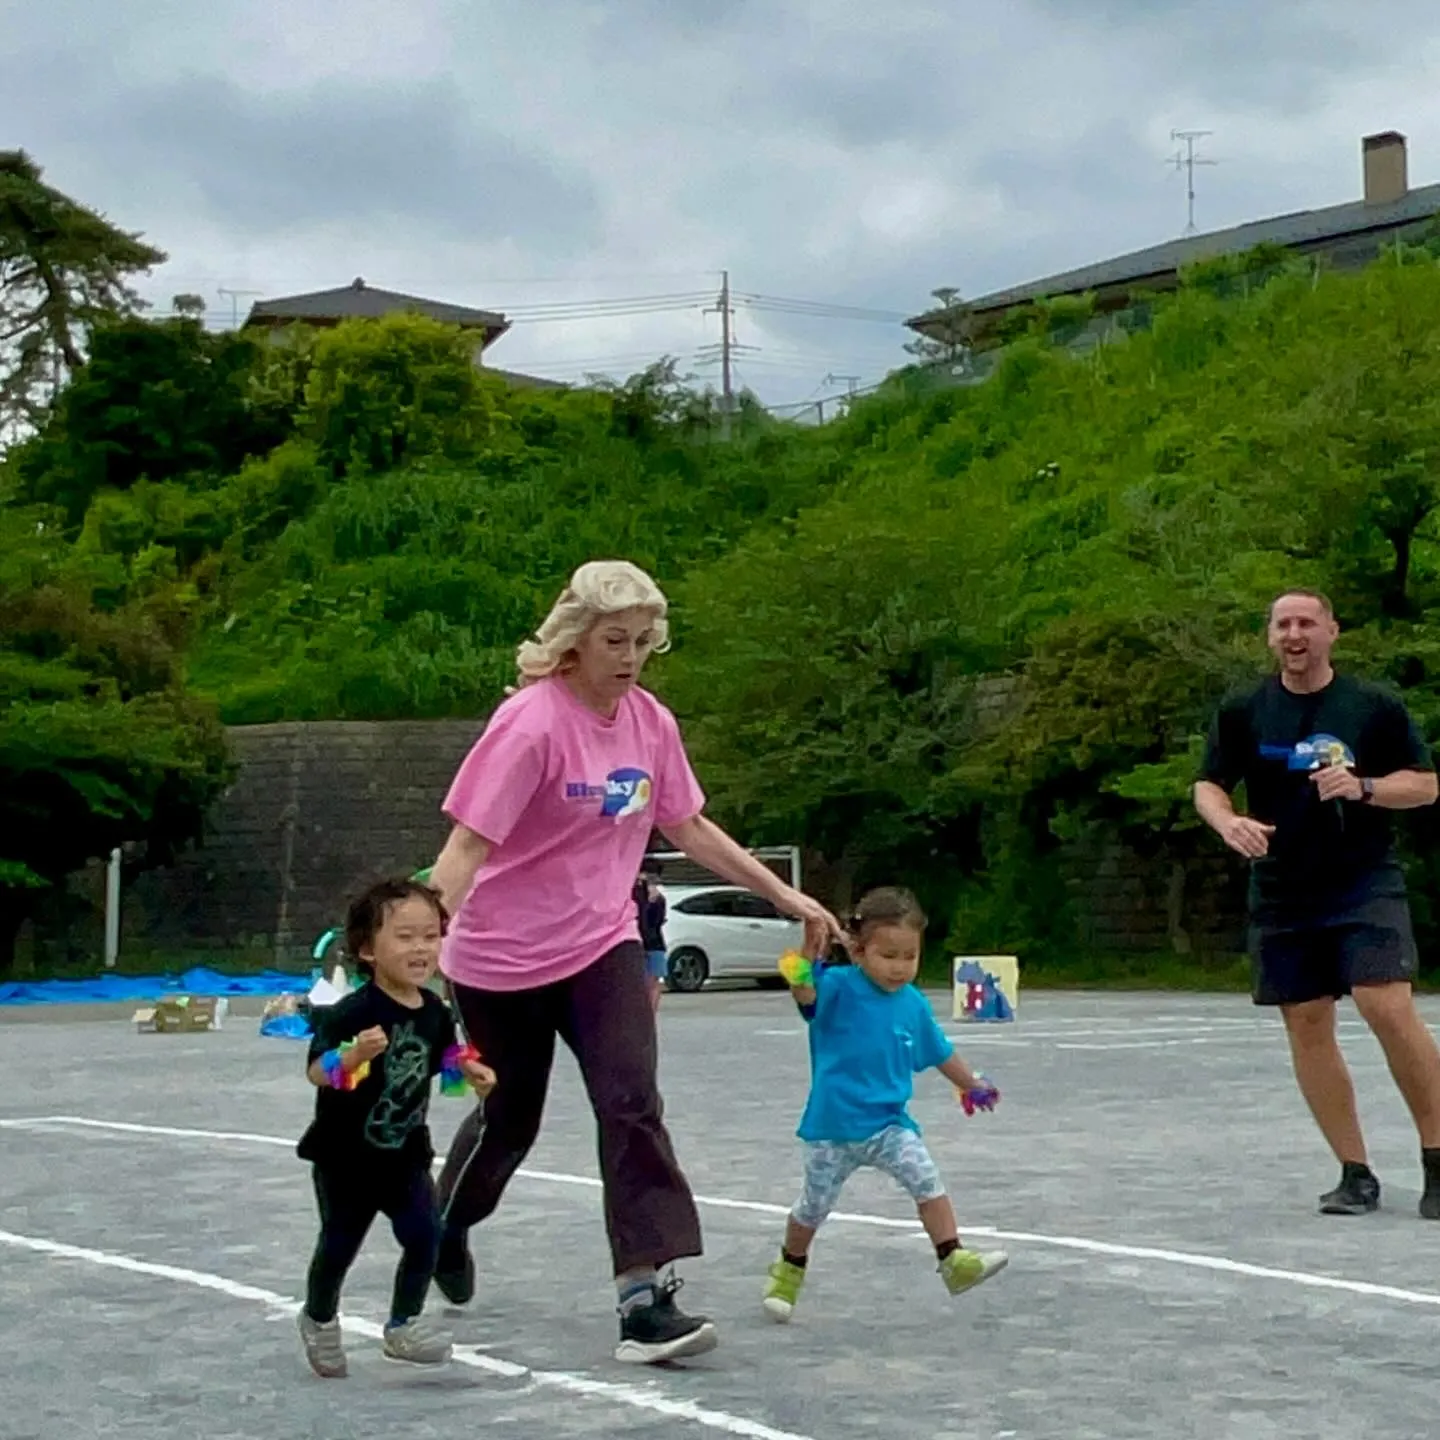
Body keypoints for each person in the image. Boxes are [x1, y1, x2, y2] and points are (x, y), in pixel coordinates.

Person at [426, 559, 842, 1365]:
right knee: (512, 1120)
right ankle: (448, 1225)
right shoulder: (529, 725)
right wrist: (415, 941)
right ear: (574, 642)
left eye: (644, 642)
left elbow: (689, 827)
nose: (630, 656)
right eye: (615, 639)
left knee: (630, 1101)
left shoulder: (651, 724)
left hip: (601, 945)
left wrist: (785, 897)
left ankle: (643, 1298)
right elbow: (467, 843)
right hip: (498, 958)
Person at [1194, 588, 1440, 1219]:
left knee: (1385, 1002)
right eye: (1283, 624)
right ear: (1270, 636)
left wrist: (1362, 787)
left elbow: (1424, 785)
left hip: (1362, 879)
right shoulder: (1245, 708)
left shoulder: (1372, 705)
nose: (1295, 633)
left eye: (1307, 622)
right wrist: (1228, 824)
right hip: (1282, 887)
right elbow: (1208, 785)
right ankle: (1355, 1173)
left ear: (1332, 630)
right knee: (1306, 1022)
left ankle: (1438, 1160)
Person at [761, 887, 1009, 1322]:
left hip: (890, 1125)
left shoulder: (912, 1004)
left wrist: (972, 1085)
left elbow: (940, 1051)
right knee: (812, 1208)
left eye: (909, 956)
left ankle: (953, 1259)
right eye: (888, 955)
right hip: (831, 1129)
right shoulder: (837, 986)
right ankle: (789, 1268)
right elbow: (802, 990)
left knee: (927, 1181)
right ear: (858, 951)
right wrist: (807, 949)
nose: (900, 967)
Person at [295, 878, 496, 1379]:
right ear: (367, 950)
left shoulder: (435, 1012)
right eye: (405, 937)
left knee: (425, 1234)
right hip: (345, 1157)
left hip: (404, 1152)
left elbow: (445, 1062)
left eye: (430, 936)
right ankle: (318, 1317)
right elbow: (319, 1072)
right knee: (339, 1243)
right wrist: (354, 1054)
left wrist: (469, 1071)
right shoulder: (352, 1012)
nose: (420, 948)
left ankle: (403, 1325)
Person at [633, 865, 668, 1011]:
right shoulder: (655, 898)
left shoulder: (637, 896)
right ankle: (648, 1016)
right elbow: (657, 921)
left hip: (643, 943)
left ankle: (647, 1015)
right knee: (652, 983)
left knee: (650, 982)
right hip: (651, 943)